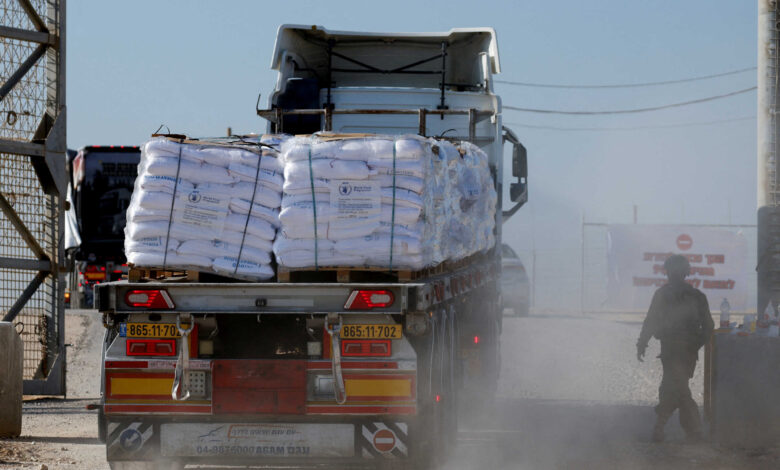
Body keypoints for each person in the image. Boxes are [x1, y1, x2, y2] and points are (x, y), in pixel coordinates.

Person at [636, 254, 714, 442]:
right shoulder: (697, 296)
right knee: (676, 387)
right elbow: (709, 327)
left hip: (671, 350)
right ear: (686, 272)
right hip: (686, 352)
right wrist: (695, 345)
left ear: (668, 272)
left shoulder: (662, 295)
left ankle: (668, 428)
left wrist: (642, 343)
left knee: (674, 388)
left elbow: (650, 322)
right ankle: (691, 431)